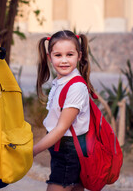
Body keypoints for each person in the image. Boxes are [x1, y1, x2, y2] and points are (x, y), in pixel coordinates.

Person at [33, 30, 95, 191]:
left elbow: (61, 128)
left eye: (70, 54)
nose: (64, 60)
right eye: (58, 55)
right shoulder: (61, 81)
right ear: (49, 57)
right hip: (63, 148)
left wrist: (33, 151)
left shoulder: (75, 87)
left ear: (79, 56)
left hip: (69, 151)